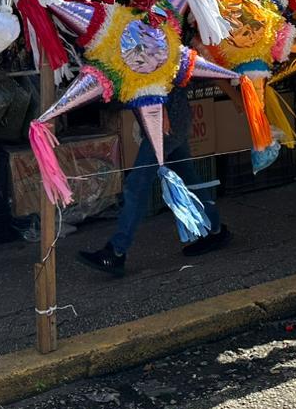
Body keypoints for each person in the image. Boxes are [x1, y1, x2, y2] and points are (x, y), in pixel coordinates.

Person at [79, 84, 230, 276]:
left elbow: (154, 80)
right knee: (187, 178)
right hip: (169, 119)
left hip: (163, 123)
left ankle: (116, 251)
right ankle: (215, 230)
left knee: (136, 185)